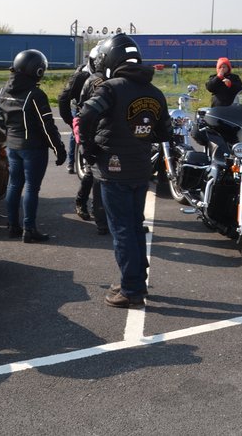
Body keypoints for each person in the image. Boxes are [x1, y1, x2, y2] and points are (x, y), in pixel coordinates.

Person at [78, 33, 171, 308]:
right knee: (134, 226)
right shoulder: (155, 92)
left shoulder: (111, 88)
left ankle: (130, 290)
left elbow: (85, 115)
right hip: (140, 169)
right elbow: (165, 132)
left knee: (122, 230)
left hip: (113, 169)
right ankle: (136, 281)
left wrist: (89, 148)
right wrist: (141, 135)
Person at [0, 49, 67, 243]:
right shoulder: (35, 94)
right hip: (32, 148)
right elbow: (47, 126)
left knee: (13, 185)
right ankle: (29, 229)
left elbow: (1, 120)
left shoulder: (3, 90)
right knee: (31, 188)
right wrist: (59, 149)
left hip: (12, 145)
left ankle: (12, 226)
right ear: (38, 70)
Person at [75, 41, 109, 233]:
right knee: (92, 172)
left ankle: (106, 215)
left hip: (109, 132)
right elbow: (82, 107)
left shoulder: (117, 80)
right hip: (95, 132)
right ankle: (81, 202)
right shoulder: (91, 80)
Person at [59, 51, 97, 173]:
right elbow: (64, 97)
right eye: (96, 62)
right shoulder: (80, 76)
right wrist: (70, 121)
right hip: (79, 107)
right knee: (76, 132)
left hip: (96, 108)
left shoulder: (108, 75)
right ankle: (71, 162)